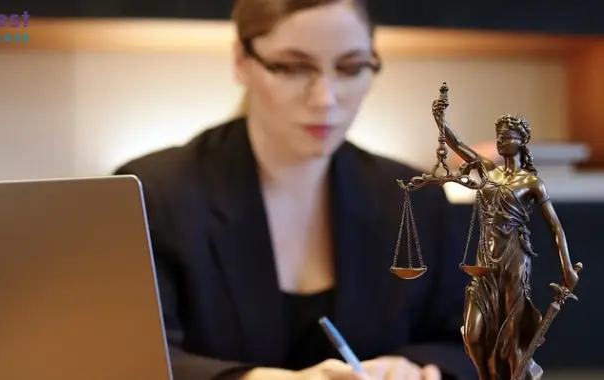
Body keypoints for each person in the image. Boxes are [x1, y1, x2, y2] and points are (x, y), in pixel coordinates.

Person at [115, 0, 476, 379]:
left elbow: (463, 344)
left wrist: (415, 369)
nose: (325, 99)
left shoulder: (416, 198)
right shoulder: (152, 195)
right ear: (241, 60)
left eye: (351, 68)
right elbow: (129, 357)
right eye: (292, 68)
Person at [433, 99, 581, 380]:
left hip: (514, 258)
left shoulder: (531, 182)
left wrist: (568, 268)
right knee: (475, 335)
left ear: (521, 142)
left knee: (508, 341)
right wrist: (440, 119)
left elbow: (555, 227)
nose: (501, 141)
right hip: (485, 260)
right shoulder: (488, 169)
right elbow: (458, 145)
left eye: (508, 136)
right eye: (499, 136)